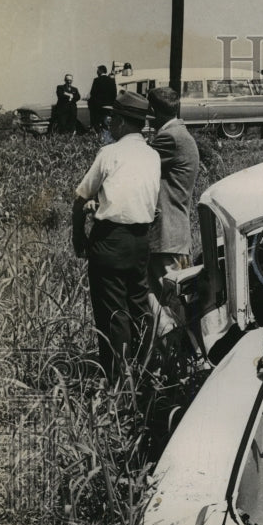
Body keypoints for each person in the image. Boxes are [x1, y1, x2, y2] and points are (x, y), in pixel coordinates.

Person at [72, 91, 160, 382]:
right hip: (141, 240)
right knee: (139, 305)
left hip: (110, 239)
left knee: (113, 313)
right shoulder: (152, 155)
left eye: (112, 118)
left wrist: (78, 237)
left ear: (121, 121)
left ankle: (118, 381)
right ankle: (146, 370)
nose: (109, 123)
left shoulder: (110, 153)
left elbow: (81, 195)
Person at [145, 86, 200, 335]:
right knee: (173, 301)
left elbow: (140, 163)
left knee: (169, 303)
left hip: (165, 233)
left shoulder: (169, 138)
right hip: (175, 232)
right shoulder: (181, 135)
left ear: (154, 111)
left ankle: (186, 359)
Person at [88, 65, 117, 133]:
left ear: (100, 71)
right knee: (106, 123)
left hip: (98, 106)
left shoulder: (97, 80)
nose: (97, 72)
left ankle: (98, 133)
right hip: (109, 106)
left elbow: (93, 93)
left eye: (97, 70)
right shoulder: (112, 80)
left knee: (96, 122)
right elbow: (114, 93)